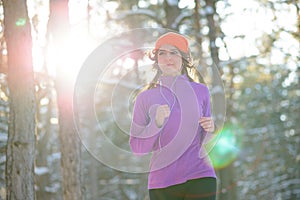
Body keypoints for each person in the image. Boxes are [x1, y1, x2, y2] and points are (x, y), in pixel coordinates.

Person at [129, 32, 217, 200]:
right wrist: (156, 123)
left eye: (174, 52)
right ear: (156, 60)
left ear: (184, 58)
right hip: (163, 183)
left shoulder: (200, 91)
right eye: (162, 53)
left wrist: (211, 129)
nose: (168, 58)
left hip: (200, 174)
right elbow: (137, 148)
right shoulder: (145, 98)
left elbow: (205, 140)